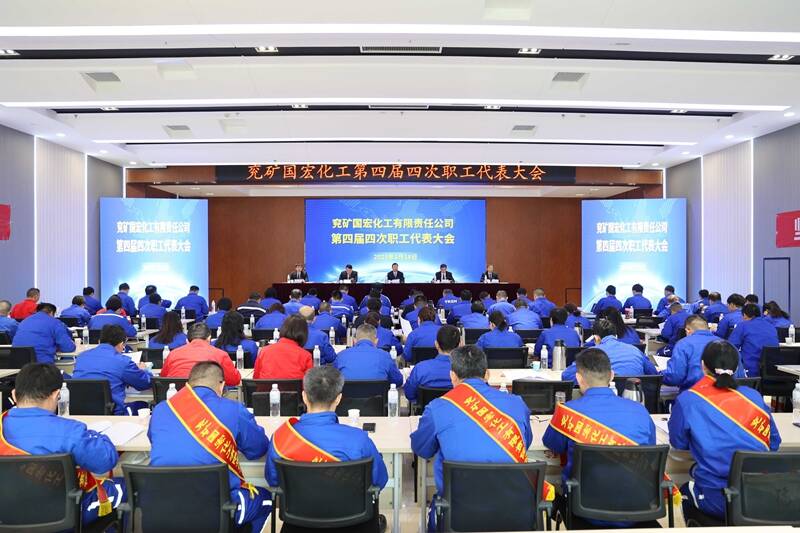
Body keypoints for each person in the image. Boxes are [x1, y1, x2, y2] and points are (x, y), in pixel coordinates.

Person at [411, 345, 533, 530]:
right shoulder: (516, 403)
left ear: (452, 376)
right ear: (487, 374)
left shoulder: (438, 407)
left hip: (458, 515)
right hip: (515, 513)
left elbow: (421, 449)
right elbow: (526, 443)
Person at [149, 361, 271, 533]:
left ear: (188, 384)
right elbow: (258, 448)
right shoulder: (233, 409)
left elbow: (155, 440)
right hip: (216, 511)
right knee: (266, 499)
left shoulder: (161, 409)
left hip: (163, 506)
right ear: (221, 385)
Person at [543, 348, 657, 528]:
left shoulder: (568, 412)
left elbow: (552, 445)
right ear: (611, 376)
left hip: (583, 508)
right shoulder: (640, 411)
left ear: (579, 378)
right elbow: (649, 453)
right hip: (637, 507)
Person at [0, 363, 126, 525]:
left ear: (14, 394)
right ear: (56, 395)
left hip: (6, 514)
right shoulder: (70, 431)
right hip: (63, 515)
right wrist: (96, 436)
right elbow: (105, 462)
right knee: (128, 486)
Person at [669, 341, 781, 524]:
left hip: (715, 498)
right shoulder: (754, 397)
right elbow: (773, 443)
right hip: (759, 497)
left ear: (703, 366)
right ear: (736, 368)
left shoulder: (688, 399)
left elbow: (678, 443)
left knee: (680, 491)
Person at [266, 366, 388, 532]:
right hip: (354, 524)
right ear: (338, 399)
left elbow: (274, 482)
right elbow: (379, 481)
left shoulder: (282, 439)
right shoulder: (359, 440)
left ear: (304, 396)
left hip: (300, 524)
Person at [73, 324, 152, 415]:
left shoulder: (81, 357)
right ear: (121, 344)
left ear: (100, 340)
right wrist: (144, 370)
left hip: (79, 412)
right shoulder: (123, 362)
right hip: (113, 414)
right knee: (142, 405)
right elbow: (145, 383)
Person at [662, 315, 745, 391]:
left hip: (694, 395)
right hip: (729, 396)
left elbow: (674, 378)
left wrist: (661, 374)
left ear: (687, 330)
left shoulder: (683, 344)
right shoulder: (729, 345)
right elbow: (741, 377)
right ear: (708, 328)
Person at [561, 319, 657, 383]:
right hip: (635, 400)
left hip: (601, 402)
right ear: (616, 336)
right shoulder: (635, 350)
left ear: (596, 338)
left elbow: (567, 376)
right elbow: (654, 374)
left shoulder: (591, 353)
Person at [160, 322, 241, 385]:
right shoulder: (221, 355)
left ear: (187, 341)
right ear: (209, 339)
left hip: (178, 398)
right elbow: (234, 380)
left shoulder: (173, 354)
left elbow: (163, 378)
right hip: (207, 399)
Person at [404, 325, 459, 402]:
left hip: (425, 409)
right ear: (459, 346)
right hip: (456, 408)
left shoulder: (420, 369)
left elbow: (409, 394)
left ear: (436, 344)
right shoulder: (466, 372)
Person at [334, 324, 403, 385]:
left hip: (346, 395)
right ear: (376, 341)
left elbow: (333, 381)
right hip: (378, 395)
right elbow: (398, 381)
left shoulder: (341, 356)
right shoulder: (385, 356)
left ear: (354, 340)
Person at [254, 315, 313, 379]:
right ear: (304, 333)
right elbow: (309, 383)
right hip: (295, 386)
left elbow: (256, 378)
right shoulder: (306, 356)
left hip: (266, 385)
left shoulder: (264, 352)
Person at [729, 303, 780, 376]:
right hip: (773, 370)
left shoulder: (742, 325)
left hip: (751, 371)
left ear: (744, 315)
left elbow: (731, 347)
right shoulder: (771, 326)